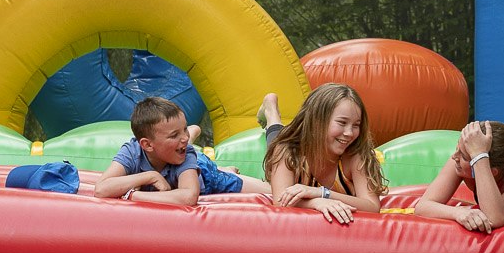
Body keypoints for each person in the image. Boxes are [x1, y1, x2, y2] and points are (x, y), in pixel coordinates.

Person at [97, 96, 268, 204]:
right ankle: (192, 131)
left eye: (184, 129)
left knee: (269, 190)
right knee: (185, 144)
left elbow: (189, 197)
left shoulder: (186, 154)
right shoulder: (132, 151)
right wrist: (150, 176)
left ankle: (224, 169)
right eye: (174, 134)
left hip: (206, 176)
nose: (183, 137)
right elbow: (101, 189)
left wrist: (133, 196)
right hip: (177, 155)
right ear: (147, 145)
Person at [261, 84, 385, 225]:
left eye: (356, 125)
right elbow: (279, 201)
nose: (349, 133)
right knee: (276, 141)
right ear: (317, 120)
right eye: (342, 122)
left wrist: (323, 193)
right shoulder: (288, 151)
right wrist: (315, 202)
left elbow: (372, 206)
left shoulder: (355, 156)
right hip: (297, 146)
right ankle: (271, 110)